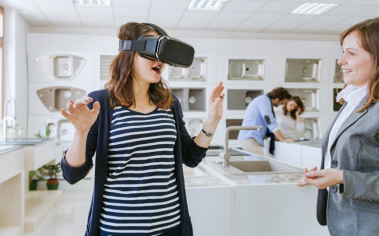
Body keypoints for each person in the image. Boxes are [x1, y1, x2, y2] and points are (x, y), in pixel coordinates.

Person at [59, 22, 225, 236]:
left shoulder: (170, 103)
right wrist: (80, 133)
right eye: (152, 50)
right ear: (129, 52)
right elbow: (72, 174)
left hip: (171, 227)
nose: (160, 61)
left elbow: (190, 156)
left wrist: (212, 120)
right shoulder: (101, 102)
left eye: (163, 54)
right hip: (118, 229)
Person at [297, 17, 379, 236]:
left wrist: (344, 177)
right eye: (343, 51)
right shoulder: (351, 100)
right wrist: (328, 173)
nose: (340, 60)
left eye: (351, 53)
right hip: (346, 226)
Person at [238, 87, 293, 156]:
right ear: (277, 99)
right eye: (282, 102)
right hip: (250, 138)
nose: (282, 105)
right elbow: (269, 120)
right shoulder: (264, 100)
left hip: (249, 138)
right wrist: (283, 139)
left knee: (256, 164)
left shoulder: (263, 100)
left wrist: (277, 137)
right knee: (260, 164)